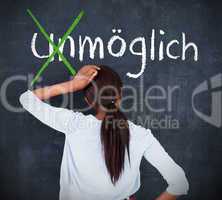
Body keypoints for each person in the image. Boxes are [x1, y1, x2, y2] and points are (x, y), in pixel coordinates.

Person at [19, 65, 189, 200]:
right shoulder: (142, 135)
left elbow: (26, 99)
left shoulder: (74, 124)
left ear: (87, 99)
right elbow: (180, 183)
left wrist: (73, 84)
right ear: (121, 94)